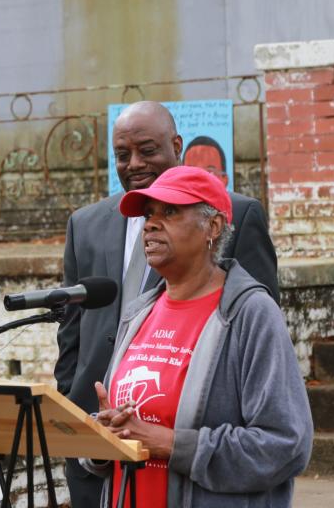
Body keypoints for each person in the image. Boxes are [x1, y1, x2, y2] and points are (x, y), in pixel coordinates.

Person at [55, 100, 279, 506]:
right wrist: (76, 416)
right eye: (122, 155)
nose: (135, 164)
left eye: (148, 150)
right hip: (101, 453)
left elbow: (259, 347)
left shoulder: (238, 216)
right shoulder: (84, 224)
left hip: (198, 460)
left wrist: (181, 441)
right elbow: (71, 335)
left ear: (176, 145)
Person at [88, 165, 312, 506]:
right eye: (149, 214)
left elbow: (286, 444)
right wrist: (103, 437)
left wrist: (173, 444)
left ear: (213, 226)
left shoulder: (250, 314)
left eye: (170, 211)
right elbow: (127, 430)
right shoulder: (137, 314)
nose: (150, 224)